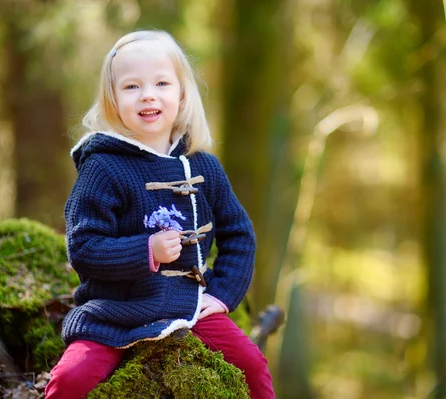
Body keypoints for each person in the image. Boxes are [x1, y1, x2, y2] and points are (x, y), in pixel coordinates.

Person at [44, 30, 275, 399]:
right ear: (113, 100)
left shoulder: (203, 166)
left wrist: (222, 293)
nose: (148, 94)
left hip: (189, 306)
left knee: (251, 365)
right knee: (69, 381)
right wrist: (145, 250)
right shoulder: (102, 168)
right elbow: (84, 247)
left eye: (161, 83)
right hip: (115, 310)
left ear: (181, 94)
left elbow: (239, 234)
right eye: (132, 86)